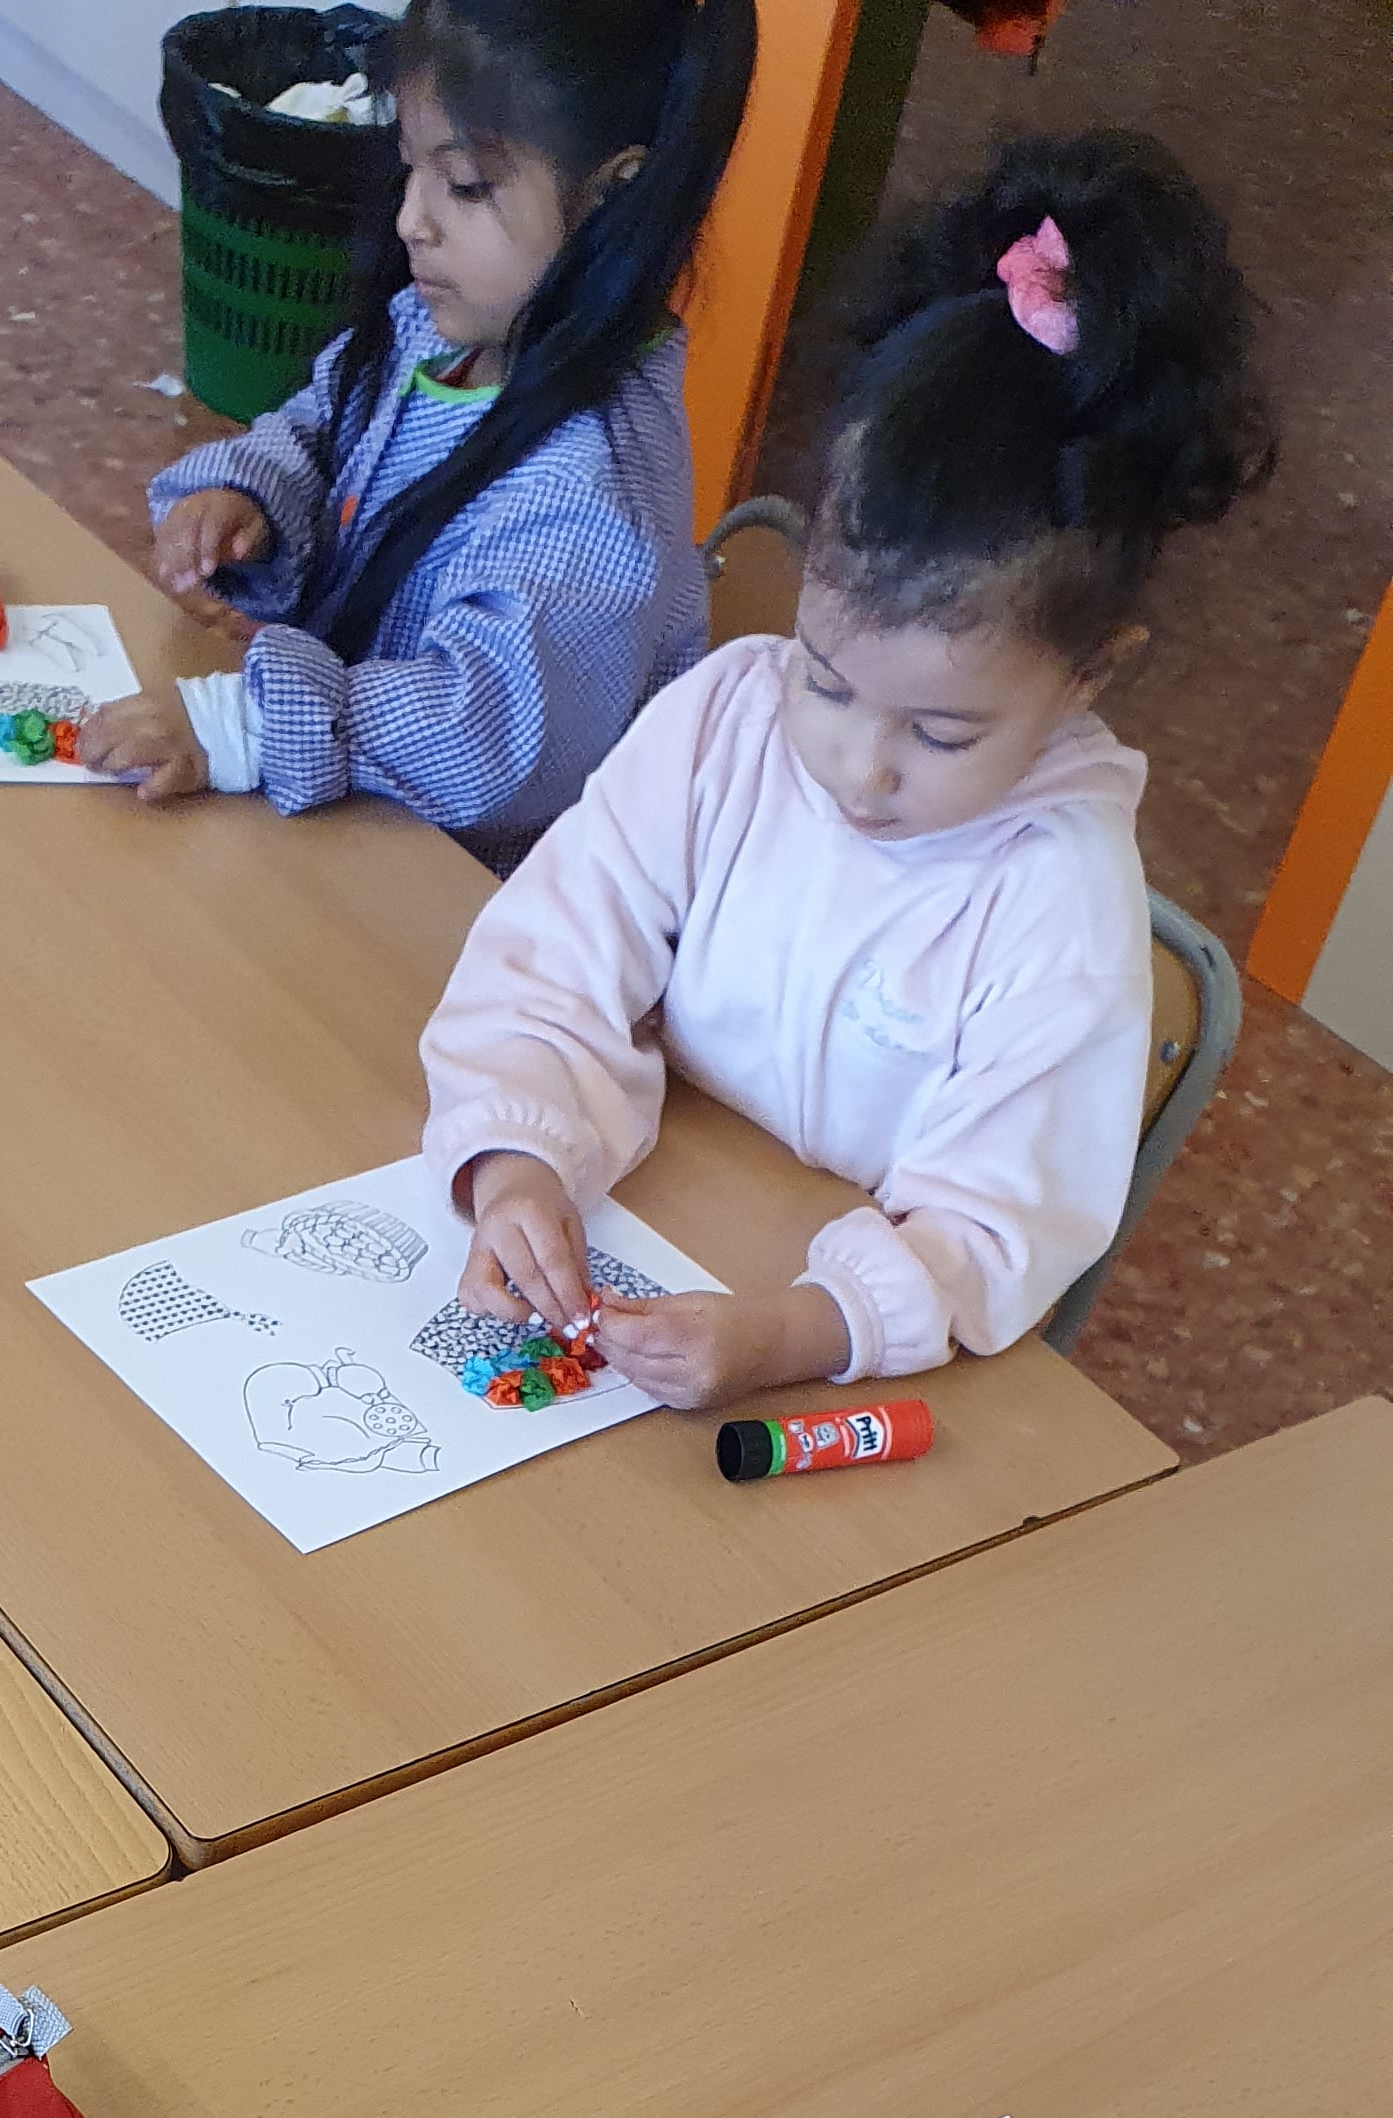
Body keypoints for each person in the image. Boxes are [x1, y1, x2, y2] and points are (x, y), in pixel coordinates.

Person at [419, 128, 1275, 1405]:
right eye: (823, 677)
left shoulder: (1052, 898)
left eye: (939, 734)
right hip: (676, 1212)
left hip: (826, 1343)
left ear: (1087, 675)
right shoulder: (724, 722)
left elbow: (990, 1231)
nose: (855, 769)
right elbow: (547, 962)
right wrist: (518, 1161)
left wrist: (796, 1333)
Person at [76, 0, 754, 867]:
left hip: (449, 894)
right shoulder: (444, 333)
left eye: (464, 185)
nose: (410, 221)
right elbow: (322, 428)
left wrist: (239, 724)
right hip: (330, 825)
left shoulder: (593, 501)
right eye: (410, 169)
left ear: (613, 195)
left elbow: (482, 731)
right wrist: (253, 498)